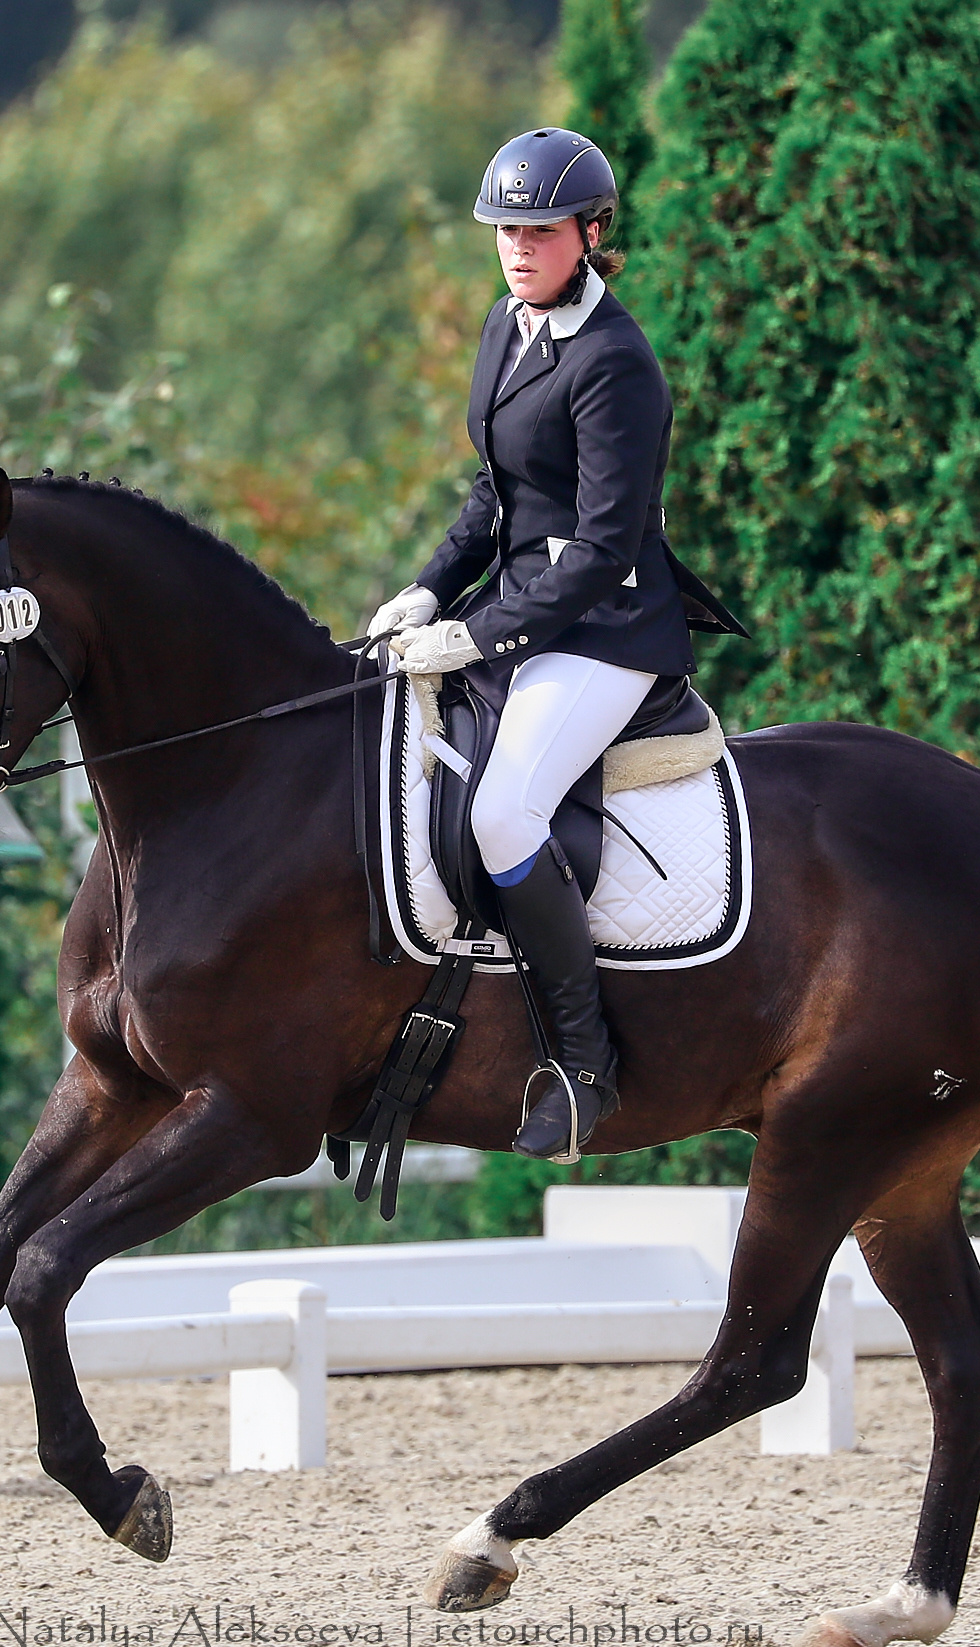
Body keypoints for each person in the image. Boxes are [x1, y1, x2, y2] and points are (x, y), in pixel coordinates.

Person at [372, 126, 731, 1163]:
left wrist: (475, 631)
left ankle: (584, 1065)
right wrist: (426, 588)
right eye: (503, 229)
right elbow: (494, 493)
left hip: (607, 630)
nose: (516, 247)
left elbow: (605, 544)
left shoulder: (617, 362)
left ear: (590, 231)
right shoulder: (506, 324)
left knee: (501, 808)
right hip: (523, 609)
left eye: (537, 229)